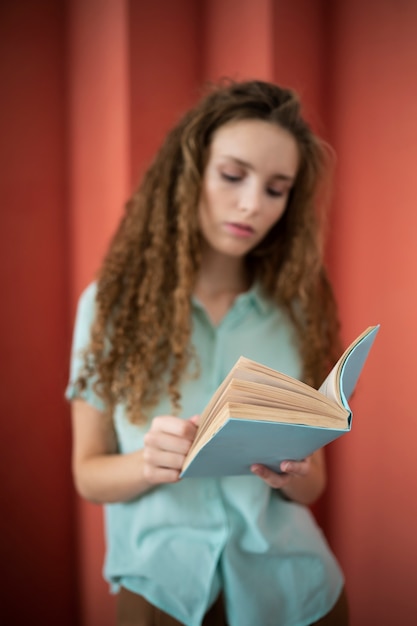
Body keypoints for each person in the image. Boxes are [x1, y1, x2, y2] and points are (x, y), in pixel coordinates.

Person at [66, 79, 349, 626]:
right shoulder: (108, 308)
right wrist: (149, 464)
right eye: (232, 175)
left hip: (296, 592)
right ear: (189, 174)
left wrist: (294, 471)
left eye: (276, 188)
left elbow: (315, 485)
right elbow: (87, 473)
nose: (251, 203)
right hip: (163, 592)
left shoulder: (296, 315)